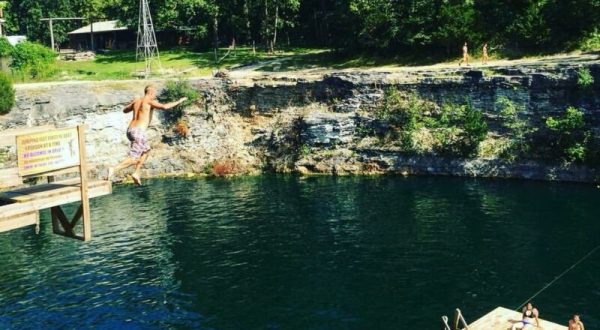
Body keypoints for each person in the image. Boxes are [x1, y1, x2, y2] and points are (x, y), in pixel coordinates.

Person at [106, 85, 187, 185]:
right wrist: (179, 101)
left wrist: (132, 103)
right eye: (155, 93)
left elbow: (125, 110)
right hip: (139, 131)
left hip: (130, 130)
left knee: (146, 150)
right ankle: (113, 169)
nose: (155, 95)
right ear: (151, 92)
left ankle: (136, 172)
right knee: (133, 158)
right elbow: (165, 107)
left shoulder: (137, 101)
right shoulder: (149, 101)